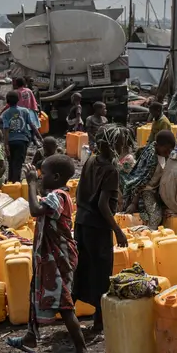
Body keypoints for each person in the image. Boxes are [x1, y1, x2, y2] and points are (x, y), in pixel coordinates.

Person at [6, 156, 91, 353]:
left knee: (64, 304)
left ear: (56, 177)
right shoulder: (56, 195)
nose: (40, 178)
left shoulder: (58, 196)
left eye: (43, 175)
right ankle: (29, 338)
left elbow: (35, 210)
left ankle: (82, 352)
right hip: (49, 257)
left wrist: (31, 182)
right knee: (36, 292)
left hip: (59, 258)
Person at [73, 128, 128, 336]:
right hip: (98, 227)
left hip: (82, 222)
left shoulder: (91, 160)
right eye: (122, 143)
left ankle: (70, 312)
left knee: (83, 268)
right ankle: (98, 321)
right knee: (101, 272)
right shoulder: (110, 170)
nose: (124, 146)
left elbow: (81, 190)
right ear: (113, 146)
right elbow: (103, 205)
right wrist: (118, 231)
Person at [122, 130, 177, 228]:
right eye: (166, 149)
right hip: (145, 190)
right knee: (156, 216)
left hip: (157, 189)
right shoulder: (151, 158)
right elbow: (140, 181)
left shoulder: (163, 153)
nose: (169, 153)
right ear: (159, 145)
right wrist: (134, 203)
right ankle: (149, 235)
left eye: (170, 150)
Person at [1, 90, 41, 183]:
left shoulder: (6, 114)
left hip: (10, 141)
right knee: (18, 163)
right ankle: (16, 182)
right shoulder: (24, 111)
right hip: (22, 141)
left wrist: (5, 144)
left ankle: (11, 182)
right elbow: (32, 125)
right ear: (18, 100)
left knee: (11, 162)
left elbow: (6, 130)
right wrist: (40, 137)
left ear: (7, 101)